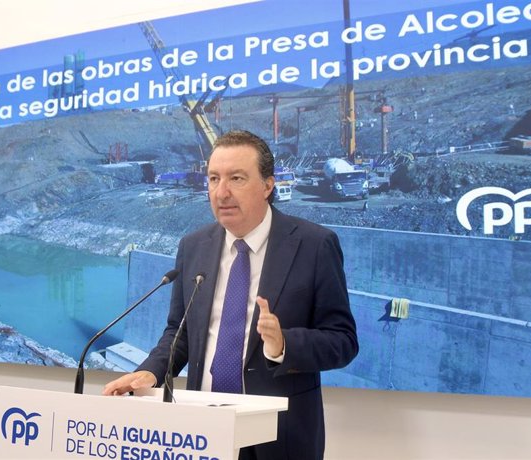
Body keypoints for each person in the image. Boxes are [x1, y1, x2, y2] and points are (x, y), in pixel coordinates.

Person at [103, 130, 358, 460]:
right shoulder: (193, 246)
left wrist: (284, 345)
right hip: (202, 435)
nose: (221, 192)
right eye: (213, 178)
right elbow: (179, 333)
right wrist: (151, 371)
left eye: (236, 178)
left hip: (280, 437)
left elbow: (343, 341)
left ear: (268, 185)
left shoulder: (314, 245)